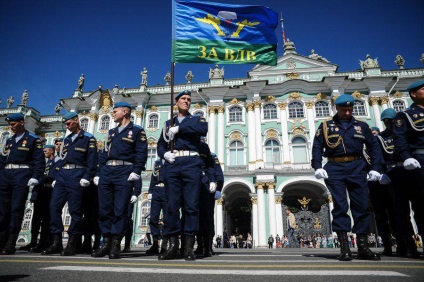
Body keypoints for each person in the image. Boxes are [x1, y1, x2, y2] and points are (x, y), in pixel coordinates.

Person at [312, 94, 382, 261]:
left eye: (350, 109)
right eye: (345, 109)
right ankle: (345, 247)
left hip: (357, 166)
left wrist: (376, 168)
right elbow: (317, 146)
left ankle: (363, 246)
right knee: (340, 206)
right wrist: (317, 166)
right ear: (337, 108)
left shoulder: (362, 126)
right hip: (335, 167)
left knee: (362, 206)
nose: (348, 112)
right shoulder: (325, 126)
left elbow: (374, 147)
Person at [157, 90, 208, 261]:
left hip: (191, 163)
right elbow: (160, 144)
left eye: (188, 99)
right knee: (172, 205)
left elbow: (203, 129)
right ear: (177, 101)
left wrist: (180, 128)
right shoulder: (167, 123)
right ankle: (173, 246)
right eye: (183, 99)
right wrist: (164, 155)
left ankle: (188, 247)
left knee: (191, 206)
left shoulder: (196, 119)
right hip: (172, 164)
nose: (186, 101)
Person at [92, 101, 147, 259]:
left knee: (120, 210)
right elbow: (103, 153)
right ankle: (107, 243)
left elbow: (141, 152)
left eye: (115, 111)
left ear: (125, 111)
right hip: (108, 171)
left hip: (125, 171)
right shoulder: (111, 132)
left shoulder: (137, 131)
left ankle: (116, 245)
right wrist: (98, 172)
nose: (112, 113)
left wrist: (137, 171)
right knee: (104, 209)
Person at [42, 112, 97, 256]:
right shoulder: (66, 140)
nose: (66, 126)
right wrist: (56, 176)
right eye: (65, 124)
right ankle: (56, 242)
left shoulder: (88, 138)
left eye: (68, 123)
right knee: (54, 206)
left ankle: (72, 242)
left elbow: (92, 160)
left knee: (75, 211)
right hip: (62, 176)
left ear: (76, 121)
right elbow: (62, 159)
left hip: (77, 175)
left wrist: (87, 176)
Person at [0, 113, 44, 255]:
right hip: (6, 175)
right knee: (3, 209)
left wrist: (36, 176)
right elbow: (2, 160)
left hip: (21, 175)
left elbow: (39, 161)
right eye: (10, 124)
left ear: (21, 122)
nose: (11, 127)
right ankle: (1, 239)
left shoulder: (33, 140)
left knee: (16, 209)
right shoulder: (9, 141)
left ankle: (11, 242)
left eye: (13, 124)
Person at [392, 80, 424, 258]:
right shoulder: (406, 115)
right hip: (419, 160)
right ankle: (408, 243)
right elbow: (400, 138)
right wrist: (407, 156)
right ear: (413, 93)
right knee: (418, 205)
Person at [369, 108, 405, 256]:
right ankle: (388, 245)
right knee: (380, 215)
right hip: (374, 183)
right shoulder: (369, 147)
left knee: (396, 212)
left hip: (389, 177)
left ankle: (403, 243)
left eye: (375, 133)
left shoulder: (387, 139)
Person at [22, 144, 57, 253]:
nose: (44, 153)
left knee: (46, 219)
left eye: (46, 151)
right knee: (36, 218)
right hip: (39, 191)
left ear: (52, 151)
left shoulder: (55, 162)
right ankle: (33, 241)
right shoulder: (41, 162)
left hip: (48, 192)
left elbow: (50, 176)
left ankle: (44, 241)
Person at [194, 137, 217, 257]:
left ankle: (207, 246)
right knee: (191, 214)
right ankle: (192, 245)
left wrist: (216, 186)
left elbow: (213, 169)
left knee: (206, 216)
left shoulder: (207, 151)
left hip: (205, 184)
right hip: (191, 180)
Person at [145, 159, 169, 255]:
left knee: (167, 219)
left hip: (167, 190)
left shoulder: (172, 161)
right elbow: (153, 177)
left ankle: (164, 245)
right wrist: (150, 190)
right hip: (156, 190)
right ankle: (155, 244)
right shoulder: (157, 163)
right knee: (153, 218)